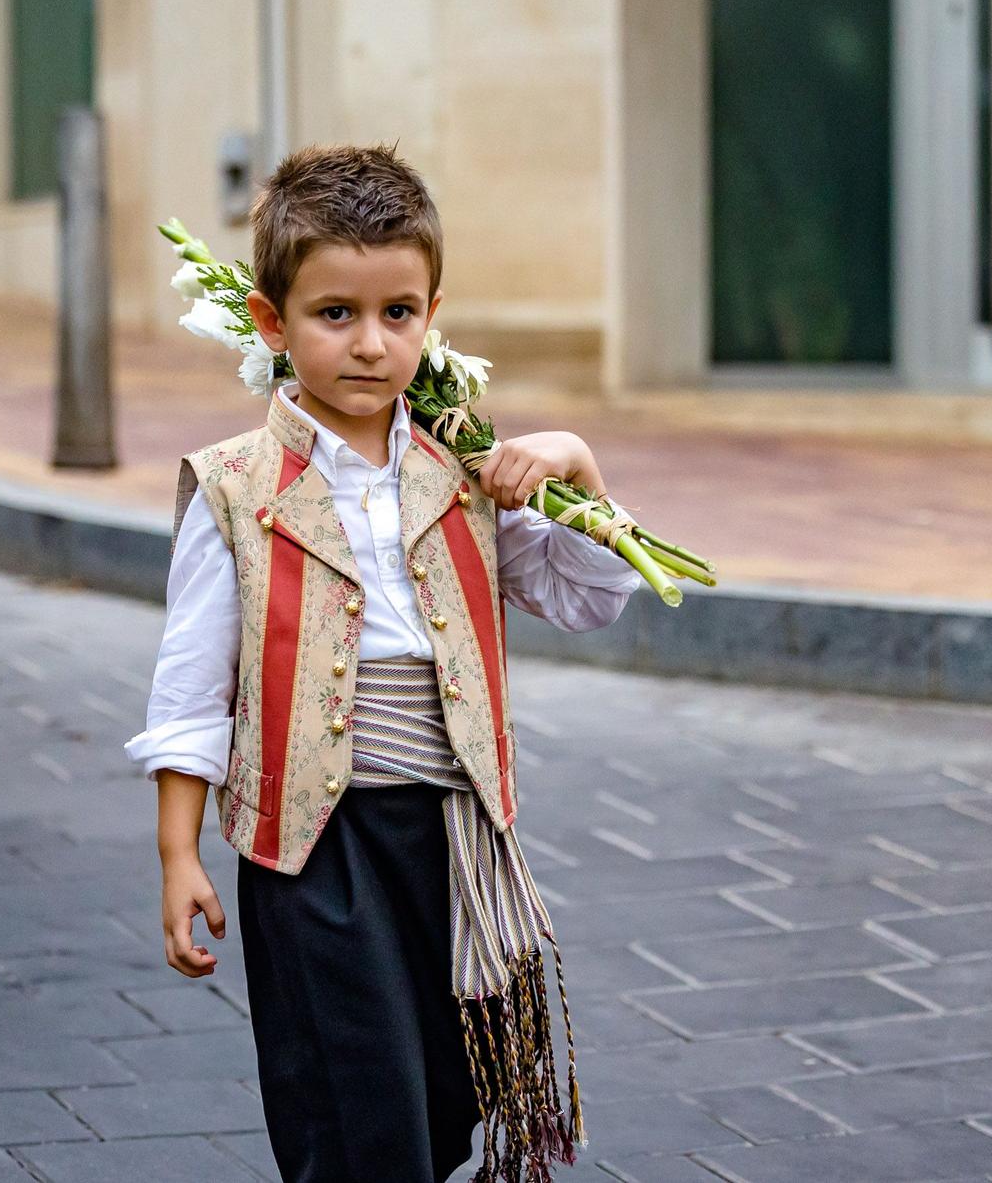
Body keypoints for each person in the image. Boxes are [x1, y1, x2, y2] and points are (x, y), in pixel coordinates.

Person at [127, 144, 642, 1182]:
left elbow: (588, 597)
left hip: (451, 836)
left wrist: (577, 465)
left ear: (430, 314)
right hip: (316, 843)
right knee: (359, 1109)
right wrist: (177, 852)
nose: (369, 345)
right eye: (334, 316)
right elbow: (190, 687)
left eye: (397, 314)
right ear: (271, 322)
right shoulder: (232, 487)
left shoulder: (461, 467)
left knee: (443, 1097)